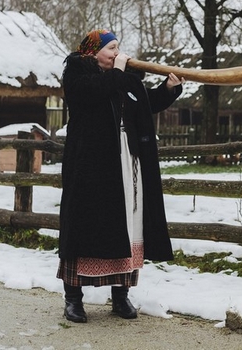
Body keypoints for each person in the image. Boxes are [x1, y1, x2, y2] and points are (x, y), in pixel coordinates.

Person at [57, 29, 184, 323]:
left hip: (126, 162)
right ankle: (73, 299)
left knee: (126, 224)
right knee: (83, 225)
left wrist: (168, 89)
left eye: (118, 48)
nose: (117, 52)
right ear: (93, 51)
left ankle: (121, 295)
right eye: (111, 47)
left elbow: (145, 102)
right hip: (90, 166)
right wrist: (119, 71)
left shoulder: (122, 77)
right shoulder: (77, 73)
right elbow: (94, 92)